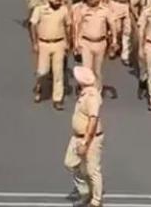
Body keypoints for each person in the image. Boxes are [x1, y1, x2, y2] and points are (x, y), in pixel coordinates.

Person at [64, 66, 104, 207]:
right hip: (77, 137)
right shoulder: (83, 94)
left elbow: (93, 120)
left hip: (89, 138)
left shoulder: (92, 96)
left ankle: (96, 200)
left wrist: (86, 142)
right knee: (71, 163)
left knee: (92, 169)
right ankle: (85, 191)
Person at [30, 0, 73, 109]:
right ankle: (39, 88)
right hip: (43, 43)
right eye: (56, 0)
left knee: (58, 72)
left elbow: (68, 26)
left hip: (59, 43)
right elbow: (33, 25)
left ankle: (57, 99)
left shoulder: (64, 10)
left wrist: (69, 42)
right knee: (43, 71)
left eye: (59, 0)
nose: (58, 2)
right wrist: (34, 43)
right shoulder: (40, 10)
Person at [73, 0, 117, 89]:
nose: (89, 0)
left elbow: (112, 24)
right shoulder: (82, 9)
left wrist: (114, 40)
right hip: (86, 42)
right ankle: (86, 91)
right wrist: (76, 43)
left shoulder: (106, 10)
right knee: (86, 70)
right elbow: (77, 26)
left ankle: (97, 92)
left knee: (97, 70)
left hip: (100, 43)